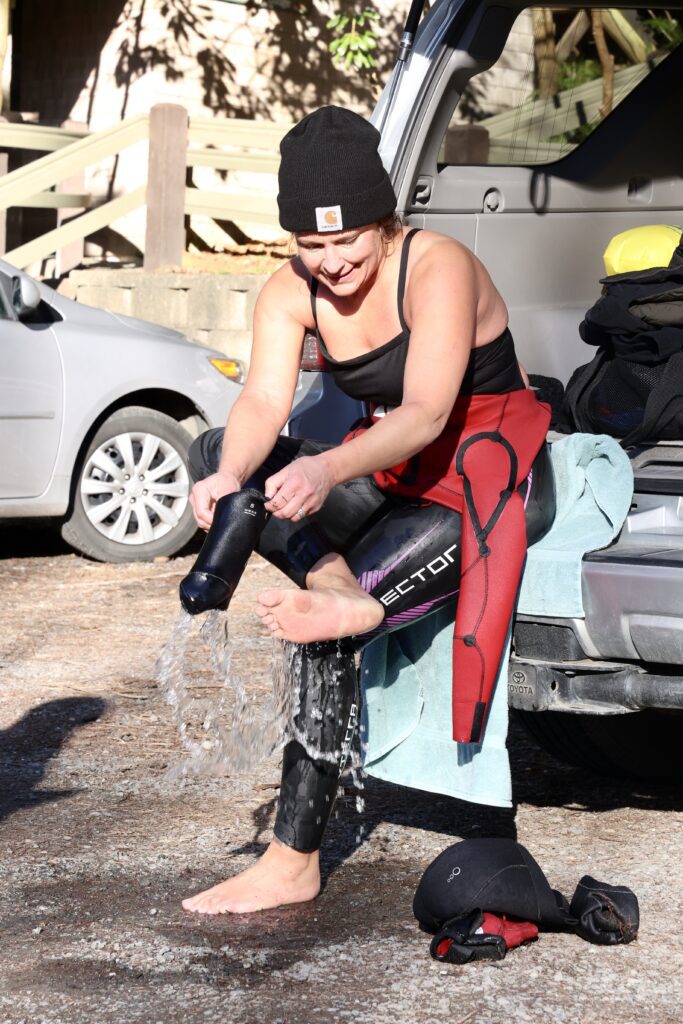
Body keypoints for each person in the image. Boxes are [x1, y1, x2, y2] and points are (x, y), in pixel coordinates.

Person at [180, 106, 553, 916]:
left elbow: (423, 412)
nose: (330, 262)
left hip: (481, 477)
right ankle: (333, 573)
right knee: (216, 454)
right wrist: (231, 476)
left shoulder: (436, 265)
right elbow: (264, 399)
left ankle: (291, 860)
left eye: (345, 240)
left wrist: (322, 467)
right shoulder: (292, 289)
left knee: (320, 625)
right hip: (391, 471)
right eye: (309, 246)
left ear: (382, 222)